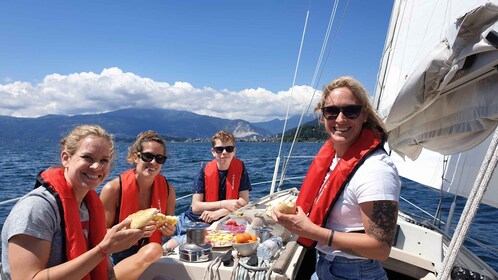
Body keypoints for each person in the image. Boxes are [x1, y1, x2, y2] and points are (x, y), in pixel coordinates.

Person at [271, 76, 401, 280]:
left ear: (364, 115)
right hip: (324, 265)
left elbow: (380, 249)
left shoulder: (376, 170)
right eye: (331, 111)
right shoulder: (334, 160)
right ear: (322, 117)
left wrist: (311, 231)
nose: (340, 119)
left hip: (357, 272)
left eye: (351, 111)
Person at [1, 124, 163, 280]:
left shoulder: (89, 207)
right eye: (87, 157)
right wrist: (104, 249)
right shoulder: (36, 209)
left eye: (104, 160)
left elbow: (107, 270)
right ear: (66, 158)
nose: (96, 166)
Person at [164, 130, 251, 249]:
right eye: (219, 149)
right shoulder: (204, 171)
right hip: (186, 220)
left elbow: (244, 203)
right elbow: (195, 207)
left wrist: (219, 213)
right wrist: (224, 204)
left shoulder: (241, 169)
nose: (224, 153)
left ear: (234, 151)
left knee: (167, 247)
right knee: (153, 237)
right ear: (213, 152)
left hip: (206, 227)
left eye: (229, 149)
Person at [100, 130, 176, 265]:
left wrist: (169, 231)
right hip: (119, 255)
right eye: (147, 156)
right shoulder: (113, 189)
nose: (153, 162)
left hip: (153, 252)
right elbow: (99, 234)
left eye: (159, 158)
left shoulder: (169, 190)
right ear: (135, 157)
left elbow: (167, 232)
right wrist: (130, 231)